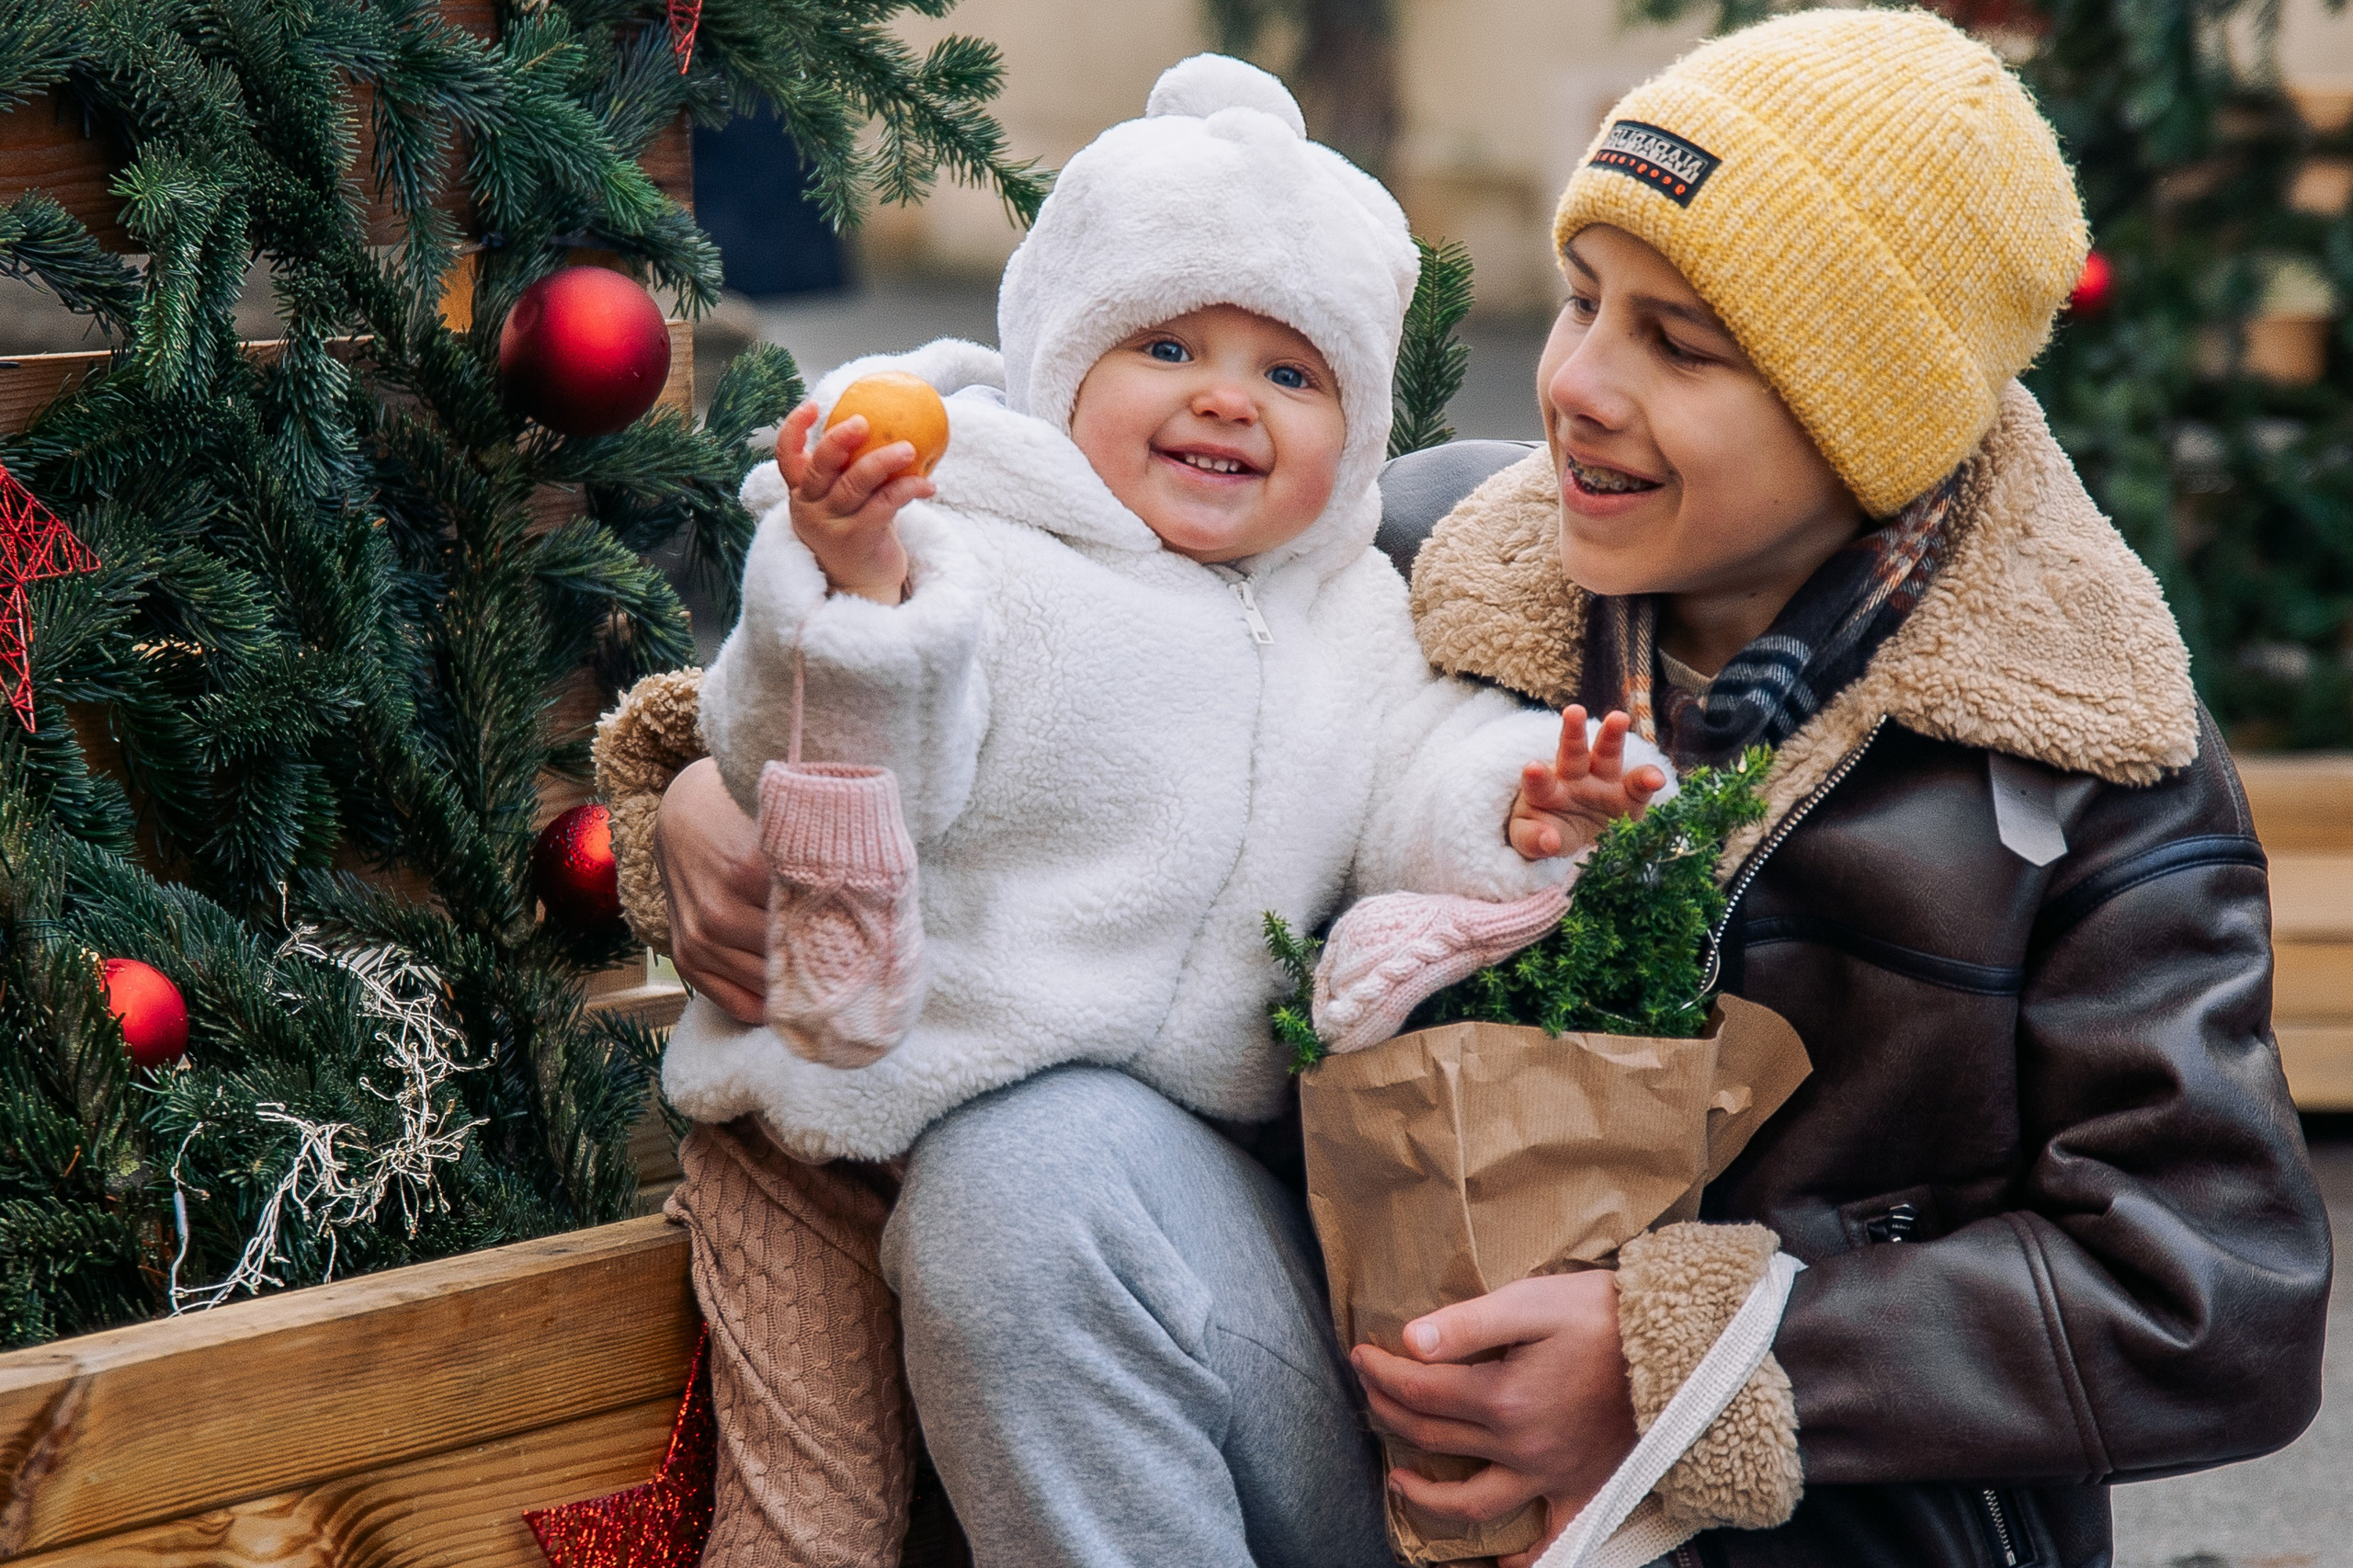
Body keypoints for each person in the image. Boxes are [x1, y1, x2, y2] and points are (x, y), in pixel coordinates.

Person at [616, 11, 2334, 1566]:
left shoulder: (2085, 753)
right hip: (1388, 1438)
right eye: (1583, 298)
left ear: (1863, 410)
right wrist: (696, 791)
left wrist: (1678, 1358)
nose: (1576, 381)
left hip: (1810, 1530)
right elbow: (1064, 638)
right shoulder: (1431, 547)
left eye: (1682, 343)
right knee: (1029, 1175)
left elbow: (2218, 1294)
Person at [598, 54, 1662, 1568]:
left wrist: (1523, 800)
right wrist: (863, 586)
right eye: (1168, 345)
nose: (1228, 397)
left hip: (1138, 1171)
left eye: (1293, 376)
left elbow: (1410, 782)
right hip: (824, 1136)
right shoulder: (985, 543)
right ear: (1064, 364)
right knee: (810, 1526)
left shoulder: (1351, 613)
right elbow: (813, 756)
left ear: (1352, 436)